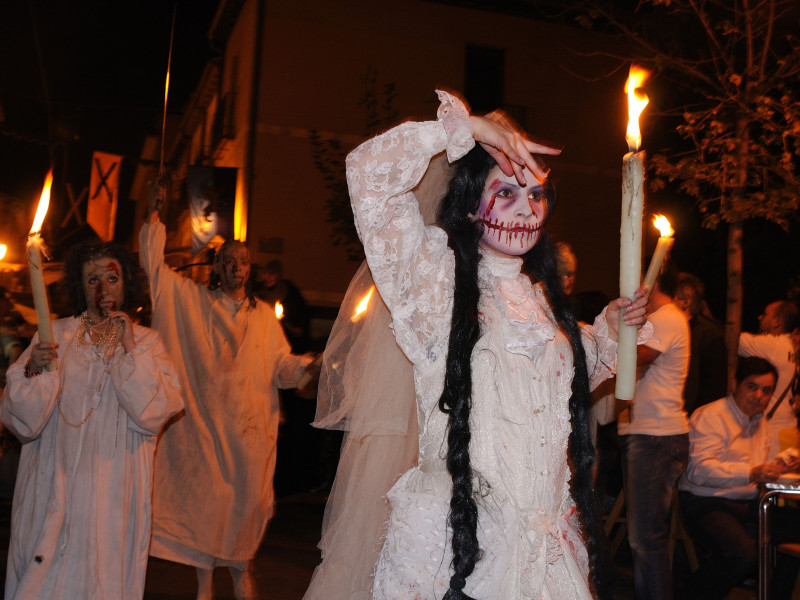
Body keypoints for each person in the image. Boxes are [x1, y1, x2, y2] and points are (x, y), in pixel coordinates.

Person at [309, 90, 649, 600]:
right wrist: (468, 130)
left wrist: (609, 331)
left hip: (545, 556)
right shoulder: (435, 283)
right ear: (471, 207)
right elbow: (369, 178)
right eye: (506, 193)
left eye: (535, 195)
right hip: (459, 549)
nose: (524, 210)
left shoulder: (541, 304)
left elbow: (564, 378)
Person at [140, 197, 316, 600]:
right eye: (229, 261)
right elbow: (155, 273)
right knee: (208, 503)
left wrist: (310, 365)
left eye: (244, 261)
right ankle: (204, 582)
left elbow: (280, 366)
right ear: (217, 267)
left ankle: (241, 570)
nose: (237, 267)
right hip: (204, 423)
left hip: (250, 429)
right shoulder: (193, 303)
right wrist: (155, 219)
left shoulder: (265, 317)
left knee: (246, 503)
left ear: (252, 268)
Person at [0, 242, 183, 599]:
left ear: (125, 282)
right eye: (92, 279)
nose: (103, 289)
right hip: (52, 486)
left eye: (111, 278)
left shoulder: (147, 342)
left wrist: (129, 349)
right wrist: (35, 369)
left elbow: (155, 412)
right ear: (79, 287)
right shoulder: (54, 336)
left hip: (113, 496)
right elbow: (21, 422)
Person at [678, 356, 800, 599]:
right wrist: (752, 473)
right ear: (735, 384)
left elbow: (756, 468)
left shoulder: (760, 421)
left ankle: (777, 595)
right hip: (705, 502)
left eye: (766, 391)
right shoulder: (711, 416)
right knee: (742, 555)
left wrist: (779, 466)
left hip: (747, 502)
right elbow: (699, 471)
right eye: (752, 387)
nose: (759, 396)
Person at [618, 264, 691, 600]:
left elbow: (636, 356)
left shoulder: (667, 317)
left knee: (645, 537)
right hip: (654, 434)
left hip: (656, 435)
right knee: (646, 537)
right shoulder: (667, 318)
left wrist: (612, 333)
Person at [738, 300, 799, 456]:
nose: (760, 317)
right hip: (788, 427)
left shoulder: (774, 346)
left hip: (774, 430)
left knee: (772, 477)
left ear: (777, 321)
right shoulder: (791, 348)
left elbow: (734, 340)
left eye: (765, 314)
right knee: (783, 478)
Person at [674, 273, 727, 414]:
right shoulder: (668, 332)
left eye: (668, 298)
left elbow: (713, 391)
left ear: (686, 301)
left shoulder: (708, 337)